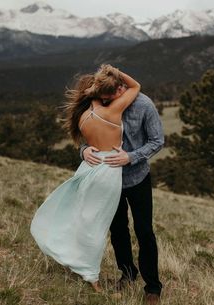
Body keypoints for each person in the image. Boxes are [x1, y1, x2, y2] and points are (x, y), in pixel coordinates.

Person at [30, 64, 141, 293]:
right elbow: (136, 86)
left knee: (82, 218)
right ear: (106, 94)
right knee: (97, 226)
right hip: (108, 172)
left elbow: (87, 144)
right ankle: (92, 277)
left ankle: (75, 259)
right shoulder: (113, 111)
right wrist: (115, 71)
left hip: (88, 167)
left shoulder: (81, 114)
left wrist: (103, 80)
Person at [80, 70, 164, 304]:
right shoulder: (98, 100)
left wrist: (132, 156)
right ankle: (127, 274)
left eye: (108, 97)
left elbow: (157, 141)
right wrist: (84, 151)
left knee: (145, 232)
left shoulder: (144, 105)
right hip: (108, 181)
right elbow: (87, 134)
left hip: (137, 178)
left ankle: (153, 287)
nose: (104, 101)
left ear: (120, 89)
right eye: (102, 98)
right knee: (117, 230)